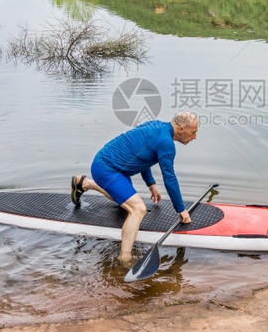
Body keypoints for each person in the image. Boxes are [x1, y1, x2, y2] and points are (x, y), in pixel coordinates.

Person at [71, 111, 199, 264]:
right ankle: (125, 258)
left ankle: (84, 183)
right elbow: (169, 178)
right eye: (193, 133)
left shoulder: (156, 125)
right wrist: (181, 209)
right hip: (107, 168)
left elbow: (143, 157)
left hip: (111, 166)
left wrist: (151, 185)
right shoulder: (166, 143)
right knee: (138, 209)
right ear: (180, 129)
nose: (194, 137)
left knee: (123, 198)